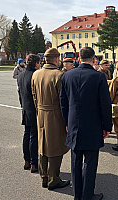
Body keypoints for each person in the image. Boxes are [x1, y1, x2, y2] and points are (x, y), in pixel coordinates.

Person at [60, 47, 112, 200]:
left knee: (75, 161)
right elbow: (105, 104)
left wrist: (66, 121)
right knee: (90, 161)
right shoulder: (99, 77)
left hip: (74, 123)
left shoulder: (67, 76)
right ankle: (87, 195)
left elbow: (63, 103)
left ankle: (77, 195)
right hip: (93, 124)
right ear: (94, 59)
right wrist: (107, 126)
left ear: (78, 58)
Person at [31, 48, 70, 190]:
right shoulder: (59, 75)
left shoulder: (36, 74)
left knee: (42, 146)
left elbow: (34, 96)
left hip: (40, 113)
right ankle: (53, 179)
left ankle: (44, 177)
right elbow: (63, 101)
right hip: (55, 115)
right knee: (55, 147)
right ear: (56, 59)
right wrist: (67, 121)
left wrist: (39, 111)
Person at [17, 54, 41, 173]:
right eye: (39, 62)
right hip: (34, 109)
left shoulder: (21, 75)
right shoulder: (35, 75)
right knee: (34, 137)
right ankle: (33, 163)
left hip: (25, 108)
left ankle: (26, 160)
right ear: (36, 63)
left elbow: (19, 93)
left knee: (26, 135)